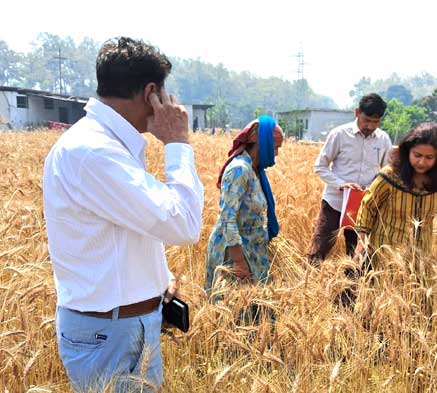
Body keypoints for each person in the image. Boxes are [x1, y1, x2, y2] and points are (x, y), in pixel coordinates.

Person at [42, 37, 204, 392]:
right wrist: (178, 142)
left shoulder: (106, 145)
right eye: (165, 94)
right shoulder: (94, 152)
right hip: (110, 334)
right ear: (151, 94)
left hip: (119, 326)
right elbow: (185, 224)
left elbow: (123, 230)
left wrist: (157, 280)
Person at [355, 122, 437, 263]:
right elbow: (368, 205)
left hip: (421, 253)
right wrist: (361, 240)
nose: (422, 162)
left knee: (418, 284)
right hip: (385, 252)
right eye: (417, 155)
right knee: (385, 284)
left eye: (429, 158)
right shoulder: (390, 176)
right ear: (407, 151)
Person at [308, 93, 392, 265]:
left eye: (375, 122)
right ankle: (308, 285)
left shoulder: (383, 139)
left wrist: (373, 186)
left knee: (357, 254)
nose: (370, 126)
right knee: (319, 248)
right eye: (366, 120)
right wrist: (341, 184)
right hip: (335, 202)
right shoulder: (339, 134)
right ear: (357, 113)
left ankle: (349, 290)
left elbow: (387, 171)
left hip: (364, 205)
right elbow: (320, 166)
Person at [205, 115, 284, 294]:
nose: (276, 154)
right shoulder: (239, 170)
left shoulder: (256, 171)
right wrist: (238, 261)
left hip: (253, 250)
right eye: (275, 148)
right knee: (235, 312)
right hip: (234, 253)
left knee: (256, 313)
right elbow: (227, 218)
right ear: (263, 145)